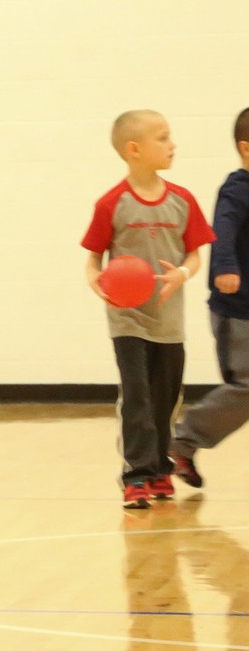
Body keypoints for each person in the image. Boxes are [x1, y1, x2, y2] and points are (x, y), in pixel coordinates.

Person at [81, 110, 214, 509]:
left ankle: (159, 469)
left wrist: (182, 276)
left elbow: (194, 256)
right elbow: (93, 261)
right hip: (127, 320)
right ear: (134, 150)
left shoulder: (182, 200)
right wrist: (95, 280)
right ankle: (135, 476)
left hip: (168, 322)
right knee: (136, 397)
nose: (172, 144)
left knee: (165, 399)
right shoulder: (111, 203)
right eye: (163, 137)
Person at [170, 107, 249, 489]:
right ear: (246, 150)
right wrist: (225, 268)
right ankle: (181, 442)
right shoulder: (236, 189)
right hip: (239, 311)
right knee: (247, 386)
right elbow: (223, 230)